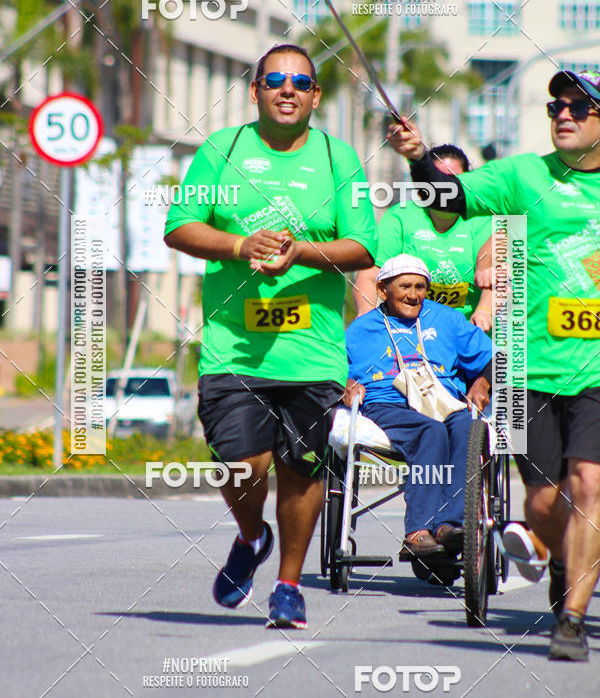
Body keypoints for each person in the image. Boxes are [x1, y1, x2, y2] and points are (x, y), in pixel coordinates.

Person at [387, 68, 600, 661]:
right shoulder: (523, 175)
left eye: (580, 107)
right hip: (526, 369)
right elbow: (451, 195)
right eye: (557, 105)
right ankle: (562, 561)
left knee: (590, 484)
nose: (564, 114)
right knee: (541, 502)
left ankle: (573, 621)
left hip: (598, 373)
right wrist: (418, 157)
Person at [164, 44, 377, 629]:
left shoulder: (340, 160)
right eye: (276, 80)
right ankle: (251, 536)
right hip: (234, 349)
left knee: (302, 470)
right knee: (244, 465)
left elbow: (363, 247)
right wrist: (240, 245)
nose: (288, 89)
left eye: (301, 82)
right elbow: (178, 226)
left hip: (313, 353)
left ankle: (287, 585)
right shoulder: (222, 150)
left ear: (315, 96)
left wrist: (300, 252)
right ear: (255, 90)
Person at [344, 254, 494, 563]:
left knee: (468, 427)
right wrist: (346, 384)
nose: (413, 294)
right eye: (405, 287)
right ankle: (418, 531)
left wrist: (482, 383)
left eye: (420, 287)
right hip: (387, 403)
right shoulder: (361, 329)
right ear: (383, 289)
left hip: (444, 401)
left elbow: (492, 358)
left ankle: (451, 525)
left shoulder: (448, 319)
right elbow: (335, 369)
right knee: (431, 432)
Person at [353, 145, 494, 330]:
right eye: (437, 179)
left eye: (452, 180)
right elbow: (370, 275)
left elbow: (496, 274)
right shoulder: (400, 217)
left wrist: (484, 311)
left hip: (468, 335)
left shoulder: (484, 220)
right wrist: (366, 316)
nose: (444, 188)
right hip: (409, 335)